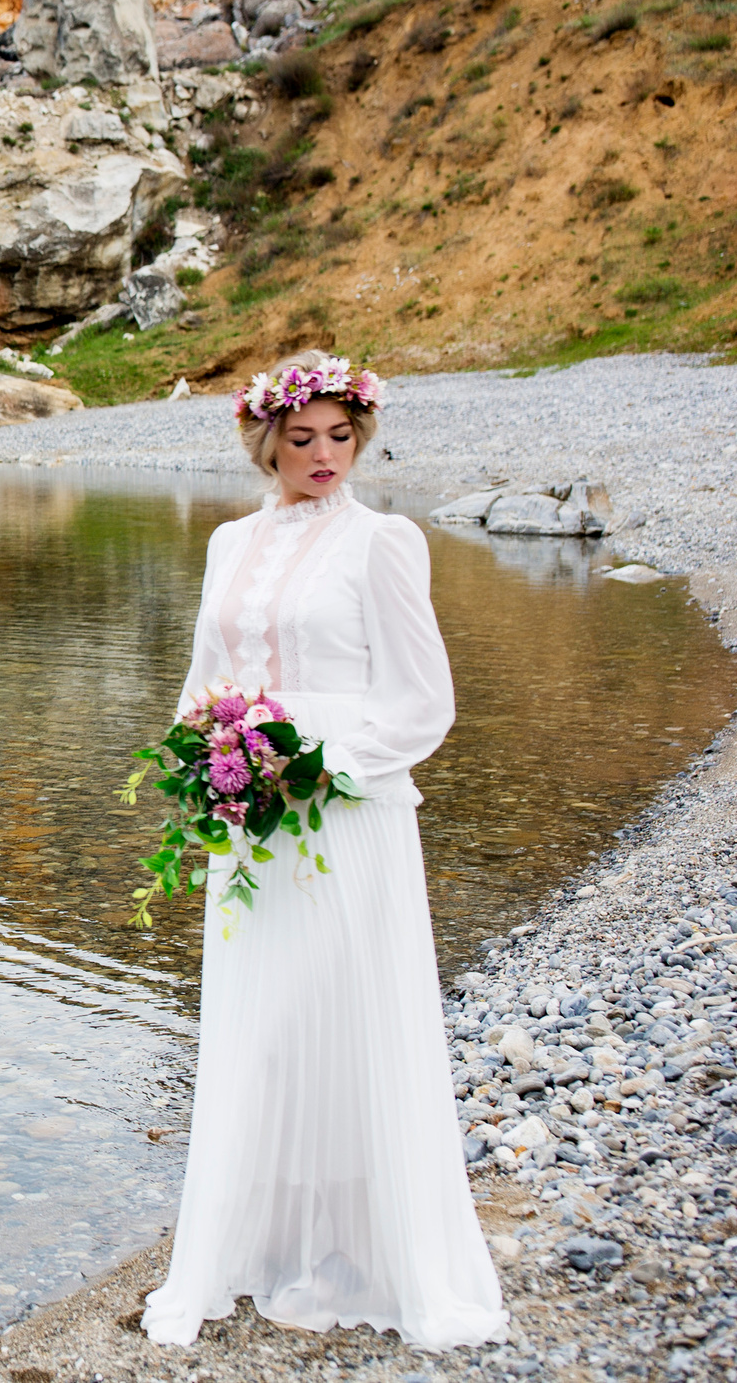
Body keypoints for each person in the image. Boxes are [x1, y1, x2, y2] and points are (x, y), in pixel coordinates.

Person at [142, 351, 509, 1351]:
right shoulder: (225, 544)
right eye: (301, 440)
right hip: (246, 815)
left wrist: (317, 766)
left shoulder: (384, 543)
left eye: (340, 438)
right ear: (265, 443)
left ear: (360, 437)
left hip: (344, 810)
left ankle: (377, 1246)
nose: (322, 457)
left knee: (350, 1012)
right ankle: (248, 1245)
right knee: (258, 1023)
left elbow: (422, 703)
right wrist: (201, 765)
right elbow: (201, 678)